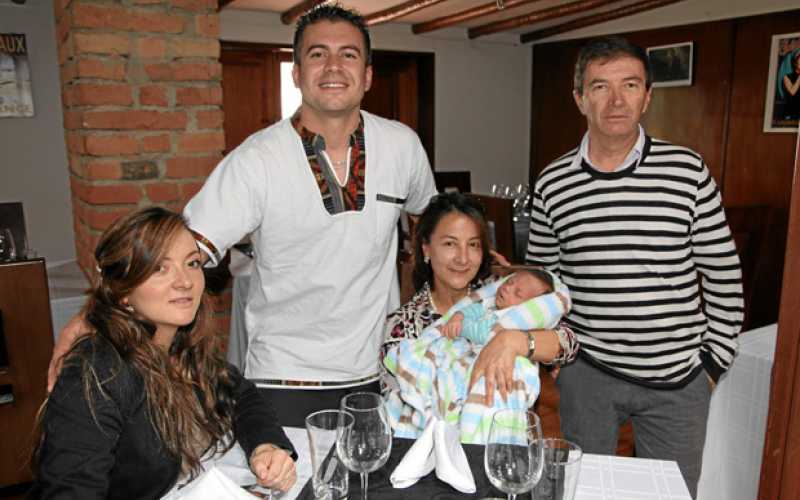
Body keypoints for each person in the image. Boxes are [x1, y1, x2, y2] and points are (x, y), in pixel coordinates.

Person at [49, 5, 438, 427]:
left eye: (348, 54)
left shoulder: (402, 146)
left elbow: (435, 226)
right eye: (317, 54)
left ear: (367, 74)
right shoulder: (256, 160)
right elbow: (180, 248)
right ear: (297, 73)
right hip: (285, 377)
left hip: (382, 370)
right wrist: (92, 315)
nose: (333, 66)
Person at [526, 36, 743, 498]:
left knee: (669, 494)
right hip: (588, 372)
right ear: (579, 99)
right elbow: (543, 285)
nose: (616, 100)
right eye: (600, 87)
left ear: (647, 97)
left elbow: (723, 273)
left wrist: (712, 364)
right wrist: (563, 363)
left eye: (629, 85)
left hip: (678, 379)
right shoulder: (552, 182)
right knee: (582, 491)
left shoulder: (688, 172)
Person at [30, 208, 296, 499]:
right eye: (160, 268)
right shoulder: (98, 373)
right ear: (123, 291)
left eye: (192, 263)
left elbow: (241, 395)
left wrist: (265, 446)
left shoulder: (181, 346)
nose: (185, 281)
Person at [382, 192, 579, 404]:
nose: (463, 258)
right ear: (426, 248)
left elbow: (568, 343)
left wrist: (512, 341)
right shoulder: (403, 325)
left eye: (473, 245)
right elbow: (398, 401)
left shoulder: (499, 293)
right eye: (450, 244)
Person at [441, 269, 559, 343]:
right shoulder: (493, 303)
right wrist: (459, 315)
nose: (507, 288)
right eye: (509, 282)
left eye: (517, 293)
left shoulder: (511, 321)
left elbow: (482, 335)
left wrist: (460, 325)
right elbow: (476, 308)